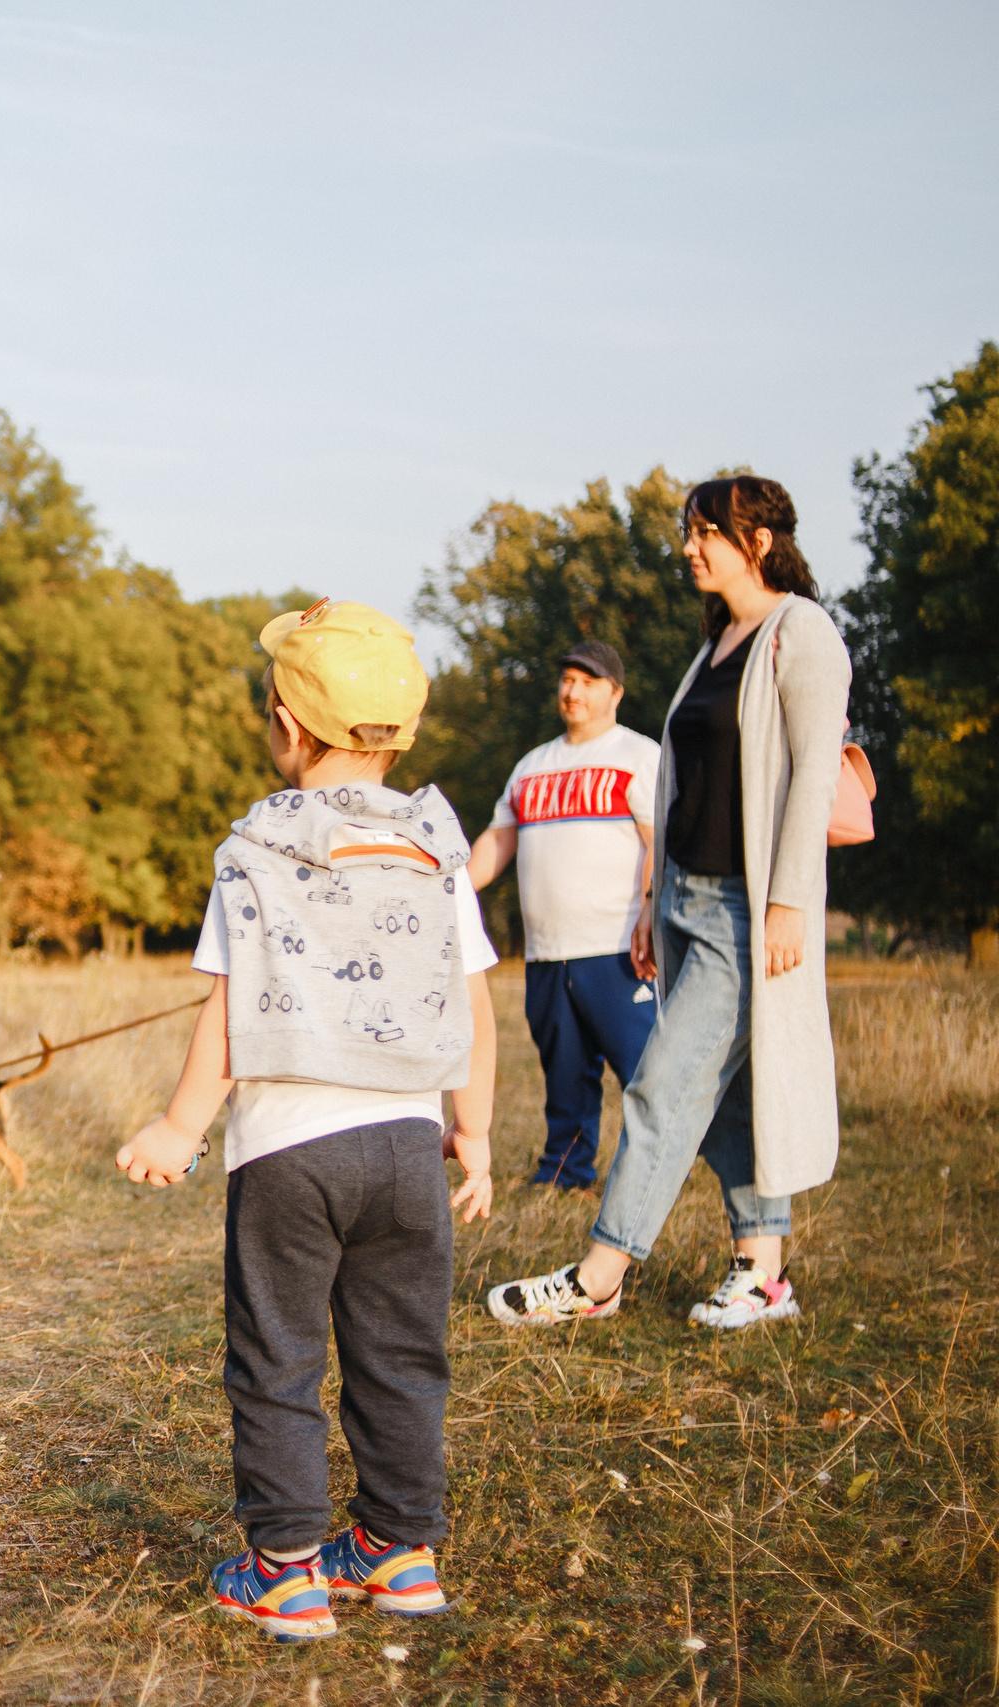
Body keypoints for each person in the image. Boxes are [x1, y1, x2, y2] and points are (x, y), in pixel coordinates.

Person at [118, 599, 496, 1645]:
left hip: (291, 1148)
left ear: (285, 722)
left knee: (279, 1356)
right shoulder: (434, 844)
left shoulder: (256, 847)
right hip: (412, 1144)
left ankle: (285, 1572)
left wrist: (176, 1128)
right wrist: (476, 1129)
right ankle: (399, 1553)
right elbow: (473, 1002)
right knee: (400, 1352)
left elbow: (226, 1015)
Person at [488, 475, 849, 1331]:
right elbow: (682, 786)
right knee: (728, 1093)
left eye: (706, 533)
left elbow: (815, 775)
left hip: (746, 906)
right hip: (687, 895)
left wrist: (791, 900)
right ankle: (764, 1272)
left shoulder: (802, 633)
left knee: (661, 1084)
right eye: (688, 532)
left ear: (758, 540)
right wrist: (654, 899)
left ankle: (599, 1274)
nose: (690, 547)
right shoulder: (719, 641)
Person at [465, 641, 661, 1191]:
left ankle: (658, 1168)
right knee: (564, 1071)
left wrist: (650, 912)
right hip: (549, 951)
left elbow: (658, 845)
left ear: (615, 693)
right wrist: (446, 886)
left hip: (619, 947)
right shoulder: (533, 766)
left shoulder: (638, 756)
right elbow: (498, 843)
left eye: (588, 682)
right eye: (568, 680)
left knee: (647, 1071)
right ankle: (564, 1170)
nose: (572, 691)